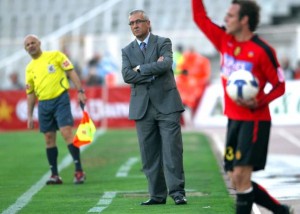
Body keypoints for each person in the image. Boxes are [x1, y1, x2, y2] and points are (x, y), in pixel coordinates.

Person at [192, 1, 293, 214]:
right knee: (235, 178)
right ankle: (281, 211)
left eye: (230, 16)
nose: (225, 20)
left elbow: (279, 85)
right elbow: (200, 19)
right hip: (233, 119)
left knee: (241, 176)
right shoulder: (224, 40)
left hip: (255, 121)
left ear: (244, 20)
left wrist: (260, 101)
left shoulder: (263, 50)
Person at [121, 10, 187, 205]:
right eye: (131, 23)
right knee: (149, 155)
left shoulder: (163, 42)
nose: (135, 25)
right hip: (142, 108)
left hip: (167, 104)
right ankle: (157, 195)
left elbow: (166, 65)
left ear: (148, 23)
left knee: (172, 151)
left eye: (138, 21)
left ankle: (177, 193)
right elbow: (126, 75)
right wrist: (152, 70)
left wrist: (140, 69)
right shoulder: (127, 50)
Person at [24, 34, 87, 185]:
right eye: (27, 45)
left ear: (39, 43)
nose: (31, 46)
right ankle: (55, 175)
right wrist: (30, 115)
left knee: (67, 133)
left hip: (60, 99)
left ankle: (79, 171)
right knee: (48, 139)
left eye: (33, 42)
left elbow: (71, 71)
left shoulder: (55, 55)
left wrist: (80, 91)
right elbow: (30, 93)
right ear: (25, 49)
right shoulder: (29, 68)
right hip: (43, 104)